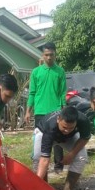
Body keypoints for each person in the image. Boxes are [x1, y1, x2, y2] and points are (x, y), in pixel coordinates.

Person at [33, 106, 91, 190]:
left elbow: (85, 138)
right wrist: (37, 184)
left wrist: (72, 154)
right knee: (37, 157)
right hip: (43, 132)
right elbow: (44, 159)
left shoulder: (84, 120)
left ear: (76, 122)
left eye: (71, 128)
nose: (67, 130)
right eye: (64, 127)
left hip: (69, 139)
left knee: (82, 157)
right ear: (58, 119)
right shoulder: (50, 125)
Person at [24, 42, 67, 174]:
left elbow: (62, 92)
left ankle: (59, 164)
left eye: (51, 55)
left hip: (56, 110)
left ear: (55, 55)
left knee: (58, 138)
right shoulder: (36, 72)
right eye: (46, 55)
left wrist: (63, 109)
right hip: (40, 111)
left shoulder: (60, 71)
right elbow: (32, 93)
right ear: (42, 56)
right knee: (40, 138)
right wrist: (28, 111)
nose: (49, 58)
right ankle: (41, 164)